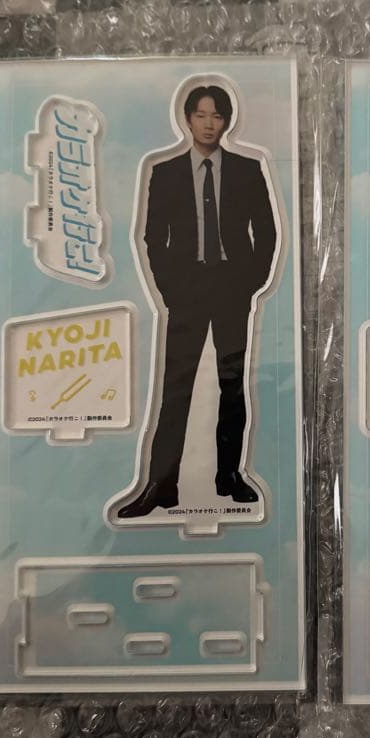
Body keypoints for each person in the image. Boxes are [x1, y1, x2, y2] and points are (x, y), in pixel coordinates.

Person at [118, 83, 278, 518]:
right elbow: (153, 237)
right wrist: (170, 287)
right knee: (176, 385)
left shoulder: (247, 169)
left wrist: (252, 280)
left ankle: (229, 476)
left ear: (227, 122)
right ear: (187, 119)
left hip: (232, 286)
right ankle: (161, 484)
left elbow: (266, 231)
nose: (209, 124)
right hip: (187, 289)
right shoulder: (166, 172)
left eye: (217, 116)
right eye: (202, 115)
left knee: (232, 384)